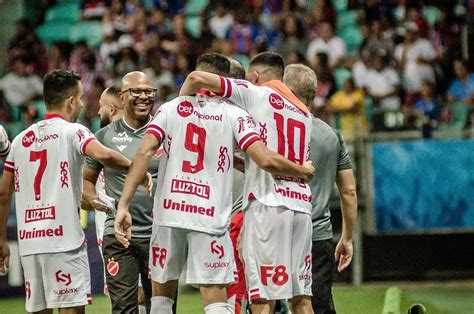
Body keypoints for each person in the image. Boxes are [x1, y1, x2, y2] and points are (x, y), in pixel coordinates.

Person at [115, 53, 314, 314]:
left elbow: (144, 152)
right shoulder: (234, 115)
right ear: (223, 81)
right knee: (216, 299)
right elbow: (262, 157)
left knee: (162, 297)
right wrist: (301, 170)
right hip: (209, 217)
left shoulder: (169, 108)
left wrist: (123, 205)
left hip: (168, 213)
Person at [180, 52, 315, 314]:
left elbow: (196, 77)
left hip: (268, 206)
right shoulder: (304, 112)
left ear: (254, 77)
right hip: (301, 208)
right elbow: (273, 156)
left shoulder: (256, 94)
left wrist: (181, 117)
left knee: (263, 298)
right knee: (302, 298)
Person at [0, 70, 132, 313]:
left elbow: (3, 193)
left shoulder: (19, 140)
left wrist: (0, 239)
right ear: (71, 101)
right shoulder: (74, 131)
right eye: (80, 97)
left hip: (30, 245)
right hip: (64, 243)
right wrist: (136, 165)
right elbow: (102, 154)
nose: (82, 103)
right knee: (71, 309)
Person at [284, 64, 358, 313]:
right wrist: (347, 237)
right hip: (318, 235)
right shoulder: (332, 135)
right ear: (314, 94)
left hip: (278, 231)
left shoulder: (275, 129)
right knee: (319, 304)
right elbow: (348, 191)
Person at [82, 72, 158, 314]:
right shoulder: (104, 137)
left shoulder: (166, 132)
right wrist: (95, 201)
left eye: (149, 92)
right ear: (123, 97)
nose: (144, 97)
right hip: (120, 237)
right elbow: (87, 182)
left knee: (163, 308)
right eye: (136, 91)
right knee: (124, 309)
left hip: (160, 235)